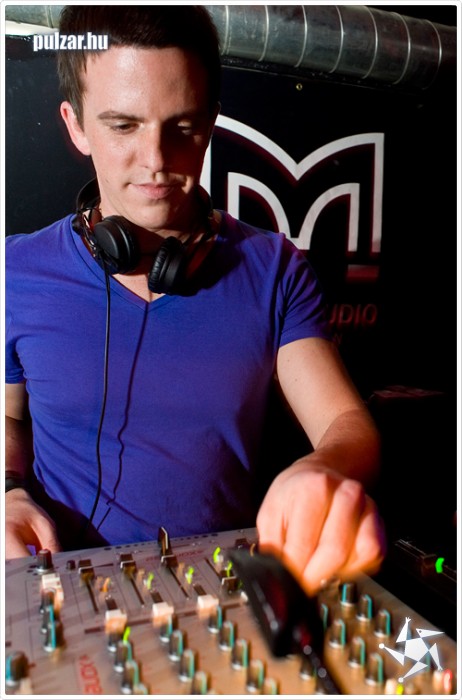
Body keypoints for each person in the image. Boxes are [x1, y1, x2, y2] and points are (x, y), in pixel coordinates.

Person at [5, 5, 385, 595]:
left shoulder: (273, 267)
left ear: (210, 122)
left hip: (221, 595)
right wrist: (9, 492)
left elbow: (346, 423)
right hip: (65, 594)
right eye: (123, 126)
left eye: (182, 127)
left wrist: (322, 468)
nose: (156, 160)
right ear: (75, 125)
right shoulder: (16, 270)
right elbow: (7, 416)